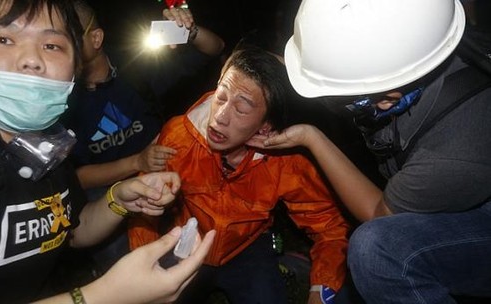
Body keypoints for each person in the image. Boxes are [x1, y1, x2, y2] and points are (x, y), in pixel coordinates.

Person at [0, 0, 216, 303]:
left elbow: (72, 229)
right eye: (3, 39)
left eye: (52, 45)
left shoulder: (48, 142)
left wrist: (119, 198)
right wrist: (104, 295)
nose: (32, 59)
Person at [249, 0, 491, 303]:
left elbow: (379, 212)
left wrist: (312, 137)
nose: (331, 103)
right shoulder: (419, 33)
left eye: (339, 98)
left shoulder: (453, 154)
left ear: (388, 99)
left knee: (377, 252)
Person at [128, 46, 351, 304]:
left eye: (241, 109)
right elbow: (143, 210)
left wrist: (321, 289)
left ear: (266, 125)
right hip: (186, 243)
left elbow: (329, 227)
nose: (219, 118)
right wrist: (145, 259)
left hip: (246, 249)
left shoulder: (286, 161)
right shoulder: (178, 136)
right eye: (220, 97)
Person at [58, 0, 225, 276]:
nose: (57, 45)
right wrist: (137, 161)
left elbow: (215, 48)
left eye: (68, 35)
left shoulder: (134, 67)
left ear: (96, 38)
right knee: (122, 261)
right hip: (107, 187)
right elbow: (76, 178)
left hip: (164, 169)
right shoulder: (58, 97)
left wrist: (189, 30)